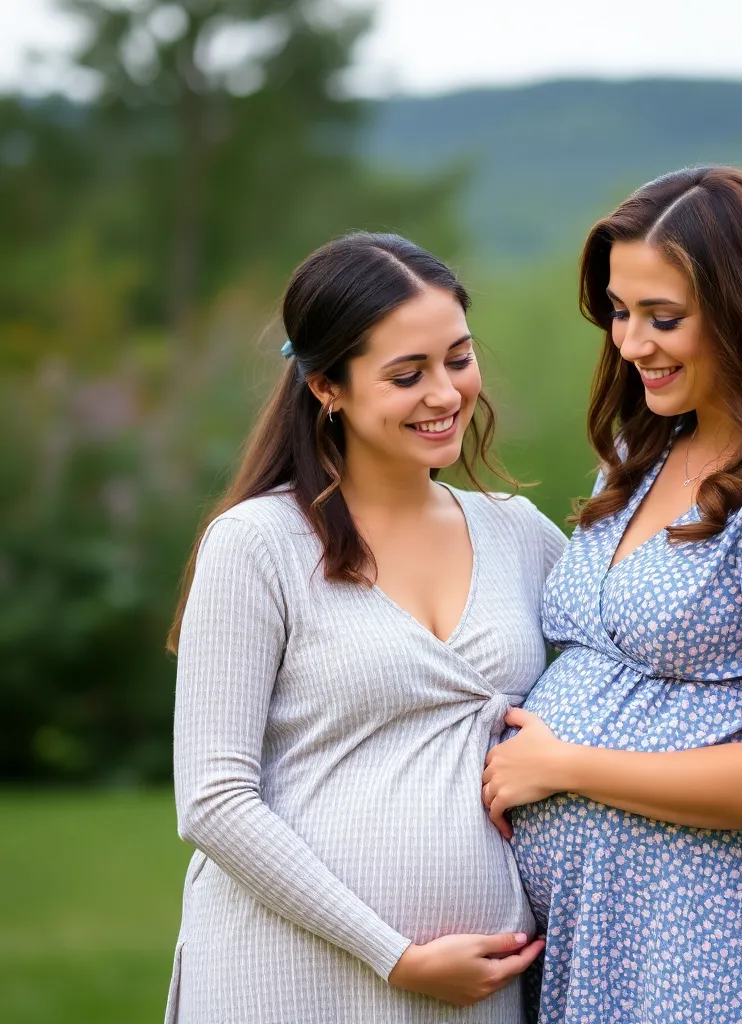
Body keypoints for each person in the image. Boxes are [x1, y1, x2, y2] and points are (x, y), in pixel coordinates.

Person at [482, 166, 742, 1023]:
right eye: (620, 313)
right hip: (588, 934)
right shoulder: (636, 460)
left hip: (702, 939)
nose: (632, 345)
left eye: (663, 317)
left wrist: (564, 768)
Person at [164, 232, 565, 1023]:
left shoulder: (520, 534)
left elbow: (637, 662)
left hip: (472, 991)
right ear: (327, 388)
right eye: (407, 375)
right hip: (287, 976)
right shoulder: (259, 544)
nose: (447, 394)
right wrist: (396, 955)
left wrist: (735, 769)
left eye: (458, 357)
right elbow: (211, 800)